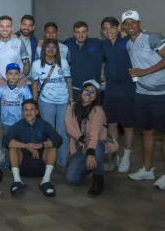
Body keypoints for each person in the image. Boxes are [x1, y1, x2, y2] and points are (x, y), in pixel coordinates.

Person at [121, 10, 165, 189]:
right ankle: (148, 169)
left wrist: (144, 72)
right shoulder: (128, 44)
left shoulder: (152, 38)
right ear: (123, 27)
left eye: (133, 21)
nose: (129, 25)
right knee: (146, 132)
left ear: (139, 23)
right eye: (126, 22)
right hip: (142, 94)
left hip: (161, 94)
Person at [65, 80, 116, 197]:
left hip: (96, 144)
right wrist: (81, 138)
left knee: (97, 148)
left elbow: (94, 132)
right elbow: (69, 127)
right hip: (80, 146)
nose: (89, 94)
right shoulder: (71, 107)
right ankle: (90, 167)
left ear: (96, 96)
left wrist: (91, 153)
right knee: (71, 179)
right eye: (87, 90)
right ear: (82, 91)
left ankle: (98, 180)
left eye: (93, 92)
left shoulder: (98, 110)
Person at [4, 99, 63, 197]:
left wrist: (41, 145)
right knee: (13, 147)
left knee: (52, 146)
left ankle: (46, 181)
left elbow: (58, 140)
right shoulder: (18, 125)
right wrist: (27, 145)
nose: (29, 112)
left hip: (41, 164)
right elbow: (6, 141)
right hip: (23, 165)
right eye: (26, 110)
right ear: (22, 113)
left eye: (32, 110)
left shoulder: (44, 124)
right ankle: (17, 181)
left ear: (36, 112)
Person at [100, 17, 135, 173]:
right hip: (111, 90)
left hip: (127, 89)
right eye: (105, 28)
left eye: (111, 27)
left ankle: (126, 157)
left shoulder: (128, 41)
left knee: (127, 125)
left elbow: (142, 37)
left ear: (118, 27)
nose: (108, 31)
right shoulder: (103, 45)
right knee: (112, 124)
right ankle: (116, 155)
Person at [31, 39, 72, 167]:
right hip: (45, 101)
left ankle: (62, 160)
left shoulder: (63, 63)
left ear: (57, 50)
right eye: (48, 47)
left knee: (63, 131)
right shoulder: (37, 64)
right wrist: (34, 101)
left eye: (53, 47)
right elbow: (35, 83)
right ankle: (48, 160)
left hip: (63, 101)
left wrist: (71, 100)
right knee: (48, 132)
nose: (50, 49)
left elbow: (69, 81)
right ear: (43, 49)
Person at [0, 15, 30, 105]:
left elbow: (26, 63)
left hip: (17, 87)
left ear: (12, 28)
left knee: (18, 116)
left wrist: (24, 78)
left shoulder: (19, 43)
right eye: (2, 26)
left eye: (8, 26)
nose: (5, 29)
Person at [63, 21, 104, 101]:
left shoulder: (97, 43)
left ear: (88, 32)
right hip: (74, 89)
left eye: (83, 32)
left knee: (93, 112)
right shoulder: (67, 44)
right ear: (73, 33)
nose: (80, 35)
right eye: (77, 32)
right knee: (75, 112)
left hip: (92, 90)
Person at [0, 63, 32, 136]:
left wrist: (27, 118)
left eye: (16, 73)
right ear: (6, 75)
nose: (13, 76)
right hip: (5, 121)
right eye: (10, 73)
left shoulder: (24, 88)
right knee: (7, 141)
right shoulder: (1, 87)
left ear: (20, 75)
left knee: (20, 140)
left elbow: (29, 104)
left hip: (20, 121)